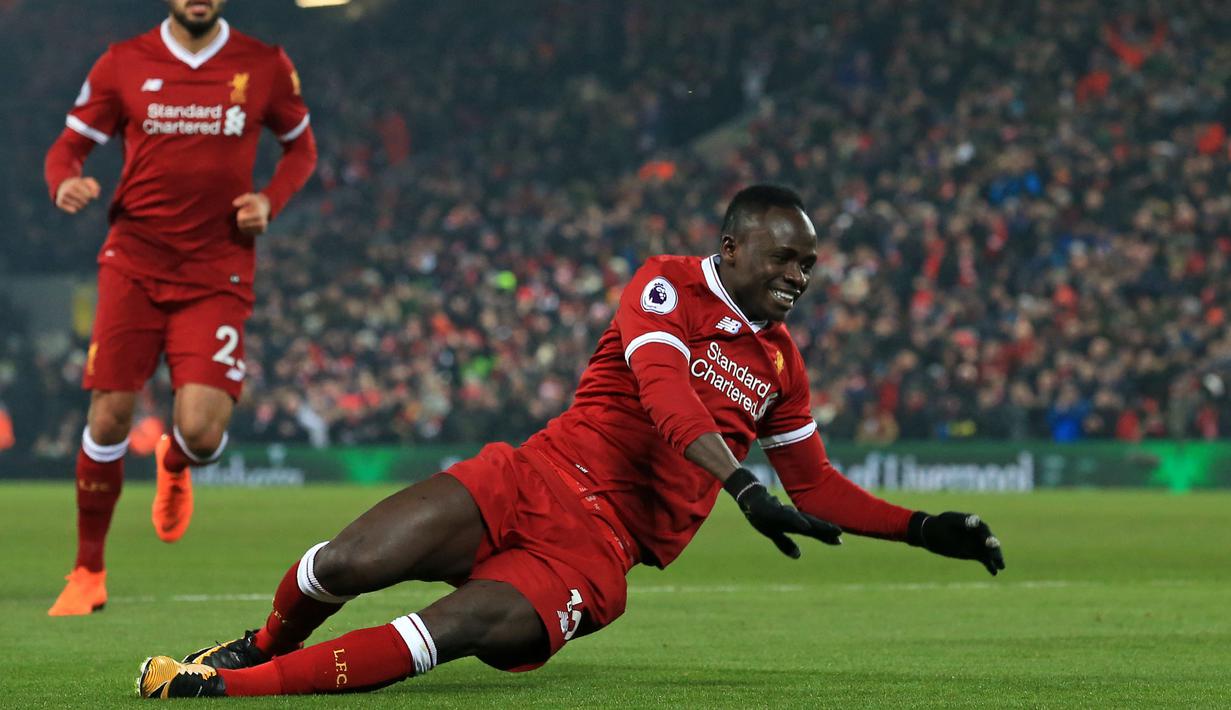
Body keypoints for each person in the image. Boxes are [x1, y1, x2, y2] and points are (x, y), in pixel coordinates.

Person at [136, 185, 1004, 699]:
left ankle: (220, 689)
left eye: (807, 267)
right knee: (349, 563)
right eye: (783, 259)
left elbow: (815, 487)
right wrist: (739, 486)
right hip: (532, 475)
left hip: (597, 551)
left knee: (458, 624)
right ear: (731, 247)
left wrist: (921, 527)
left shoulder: (780, 362)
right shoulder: (665, 288)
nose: (798, 278)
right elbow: (666, 399)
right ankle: (262, 642)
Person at [43, 0, 317, 616]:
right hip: (133, 262)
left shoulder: (264, 64)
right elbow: (67, 149)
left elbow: (301, 150)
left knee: (200, 430)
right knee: (109, 415)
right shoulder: (122, 63)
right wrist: (64, 181)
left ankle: (175, 459)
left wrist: (270, 201)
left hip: (216, 269)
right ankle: (88, 570)